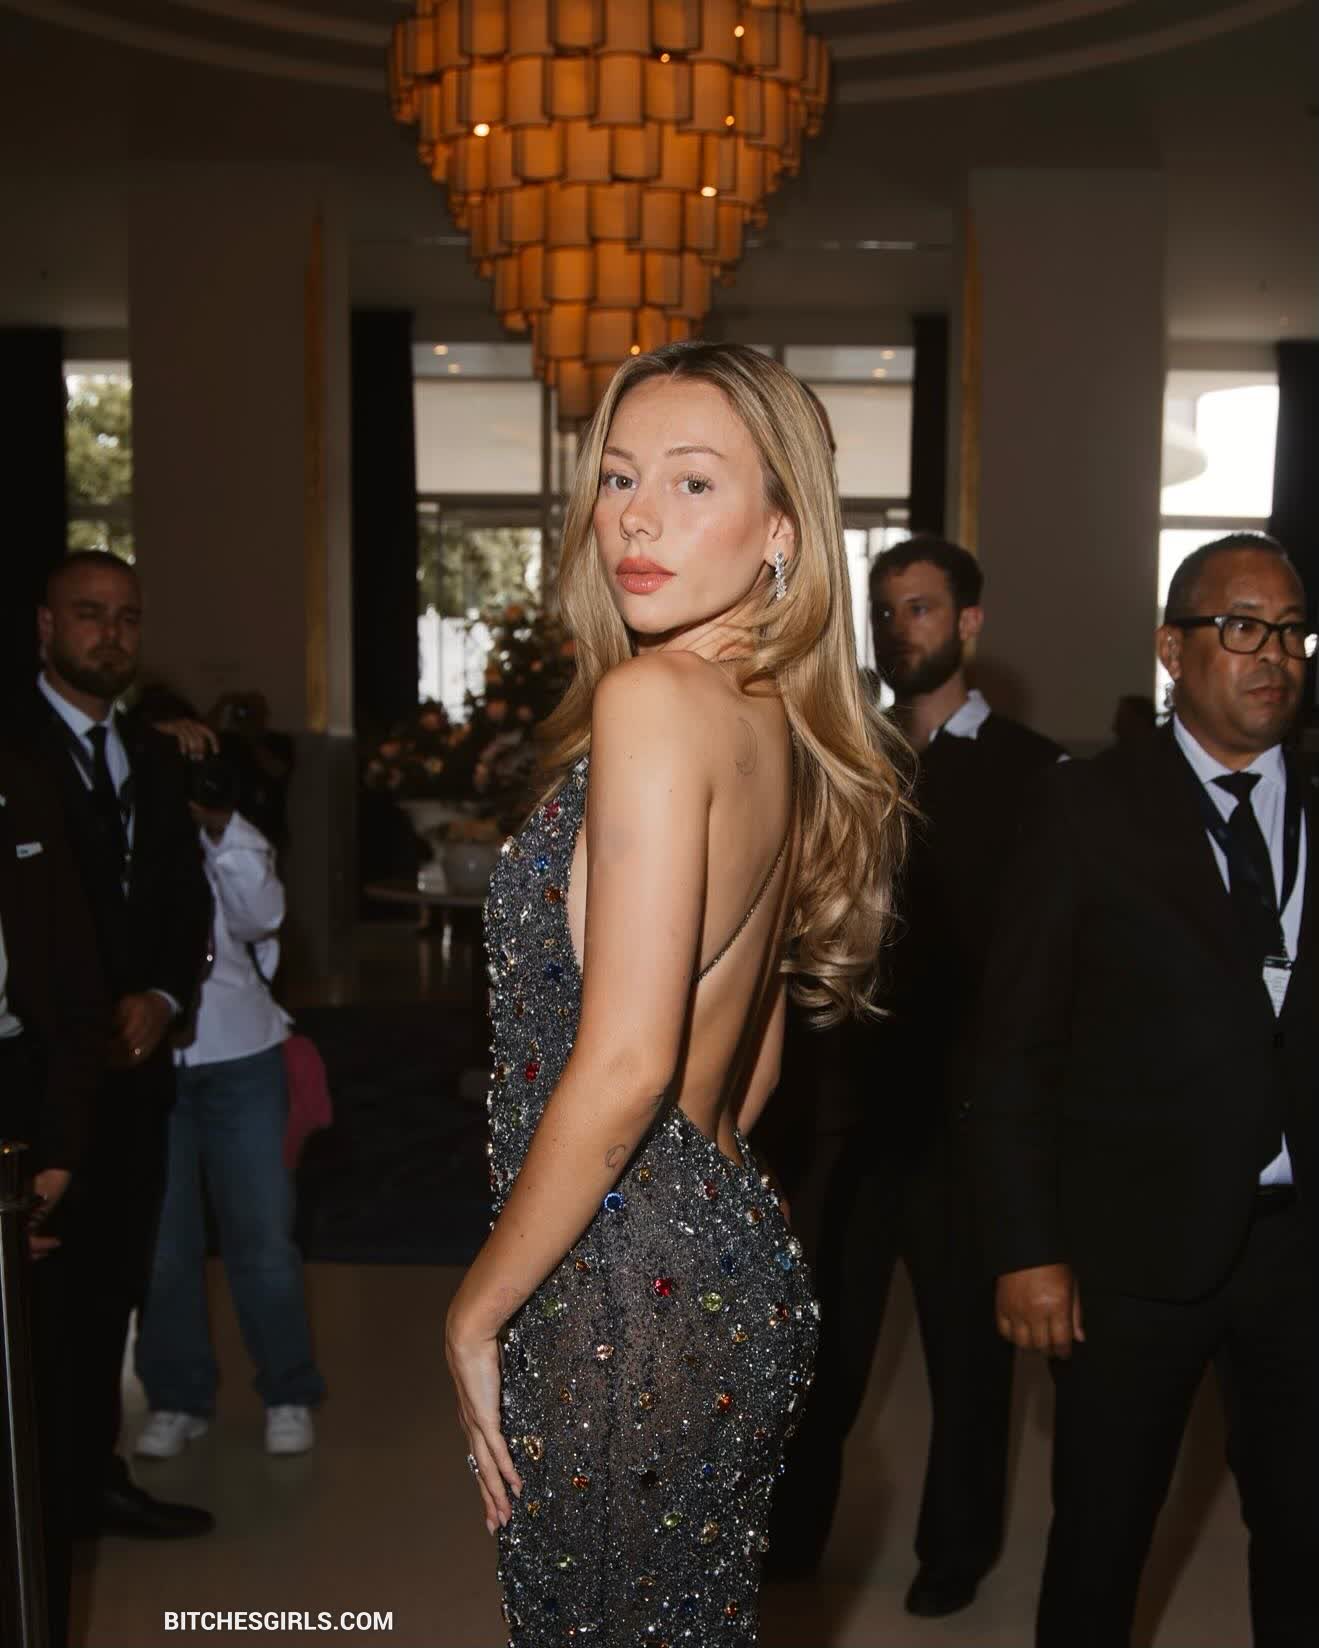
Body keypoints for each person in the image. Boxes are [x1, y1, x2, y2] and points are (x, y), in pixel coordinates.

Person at [444, 341, 910, 1644]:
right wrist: (683, 1241)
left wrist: (476, 1308)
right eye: (617, 477)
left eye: (692, 482)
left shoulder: (653, 700)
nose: (635, 518)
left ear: (781, 529)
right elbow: (748, 1074)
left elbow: (628, 1061)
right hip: (722, 1261)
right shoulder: (772, 719)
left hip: (615, 1286)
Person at [972, 532, 1319, 1646]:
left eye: (1291, 631)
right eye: (1240, 627)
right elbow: (1013, 1044)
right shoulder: (1083, 807)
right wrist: (1026, 1247)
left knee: (1305, 1535)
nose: (1273, 654)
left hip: (1299, 1253)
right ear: (1172, 650)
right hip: (1130, 1252)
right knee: (1101, 1536)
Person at [765, 536, 1064, 1615]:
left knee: (966, 1357)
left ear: (968, 623)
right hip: (852, 1112)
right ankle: (790, 1539)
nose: (900, 630)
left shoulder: (1035, 772)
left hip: (969, 1120)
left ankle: (954, 1553)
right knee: (821, 1347)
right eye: (886, 611)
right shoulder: (850, 754)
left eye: (922, 609)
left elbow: (1042, 957)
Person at [10, 550, 214, 1540]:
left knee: (112, 1287)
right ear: (46, 627)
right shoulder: (12, 750)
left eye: (127, 616)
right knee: (35, 1300)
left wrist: (165, 997)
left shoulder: (153, 752)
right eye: (89, 613)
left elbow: (183, 899)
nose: (111, 633)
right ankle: (35, 1499)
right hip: (36, 1080)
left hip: (136, 1074)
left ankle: (91, 1476)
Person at [133, 790, 325, 1458]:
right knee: (163, 1246)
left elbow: (262, 915)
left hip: (243, 1053)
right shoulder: (118, 830)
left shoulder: (225, 841)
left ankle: (288, 1391)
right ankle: (176, 1397)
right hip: (147, 1063)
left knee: (263, 1239)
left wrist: (218, 826)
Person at [0, 745, 109, 1647]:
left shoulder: (24, 788)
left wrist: (60, 1152)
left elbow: (75, 986)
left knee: (37, 1418)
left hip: (24, 1106)